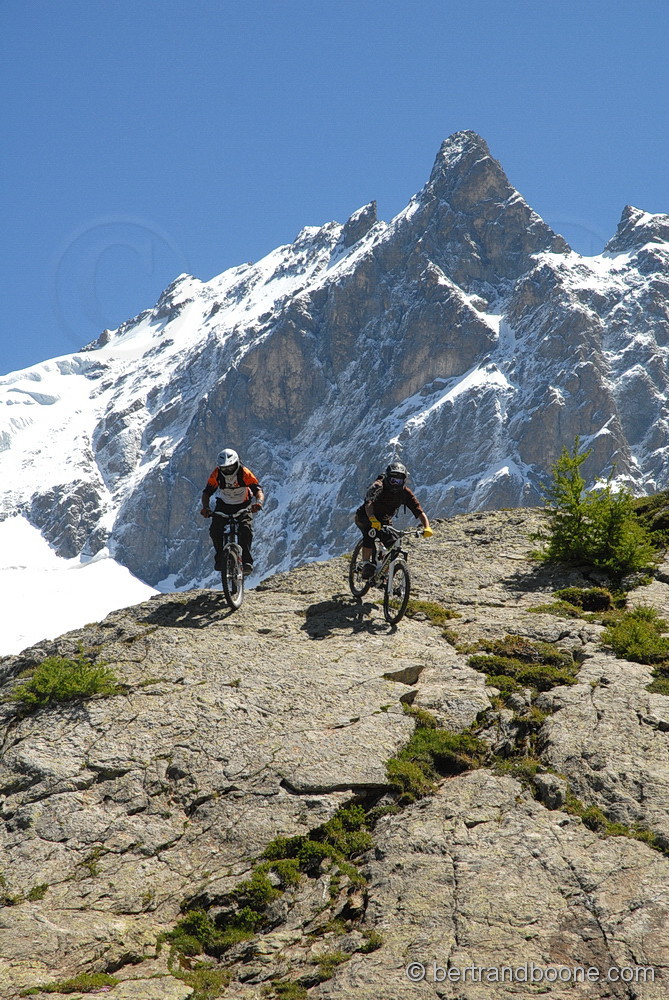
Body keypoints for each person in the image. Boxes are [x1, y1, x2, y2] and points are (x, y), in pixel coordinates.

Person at [354, 461, 433, 578]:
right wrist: (372, 519)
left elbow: (419, 511)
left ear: (403, 481)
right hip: (365, 517)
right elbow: (368, 503)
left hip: (384, 521)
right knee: (370, 533)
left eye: (399, 481)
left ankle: (383, 574)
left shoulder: (405, 493)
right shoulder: (378, 486)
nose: (396, 484)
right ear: (387, 478)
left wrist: (427, 527)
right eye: (393, 480)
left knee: (395, 545)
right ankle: (365, 563)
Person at [200, 448, 264, 576]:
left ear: (236, 464)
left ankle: (246, 562)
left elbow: (257, 490)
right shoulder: (217, 474)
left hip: (243, 505)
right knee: (215, 530)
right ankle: (220, 558)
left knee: (245, 529)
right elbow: (207, 492)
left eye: (230, 467)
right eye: (224, 468)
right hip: (224, 505)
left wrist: (258, 503)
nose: (228, 471)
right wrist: (206, 507)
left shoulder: (244, 473)